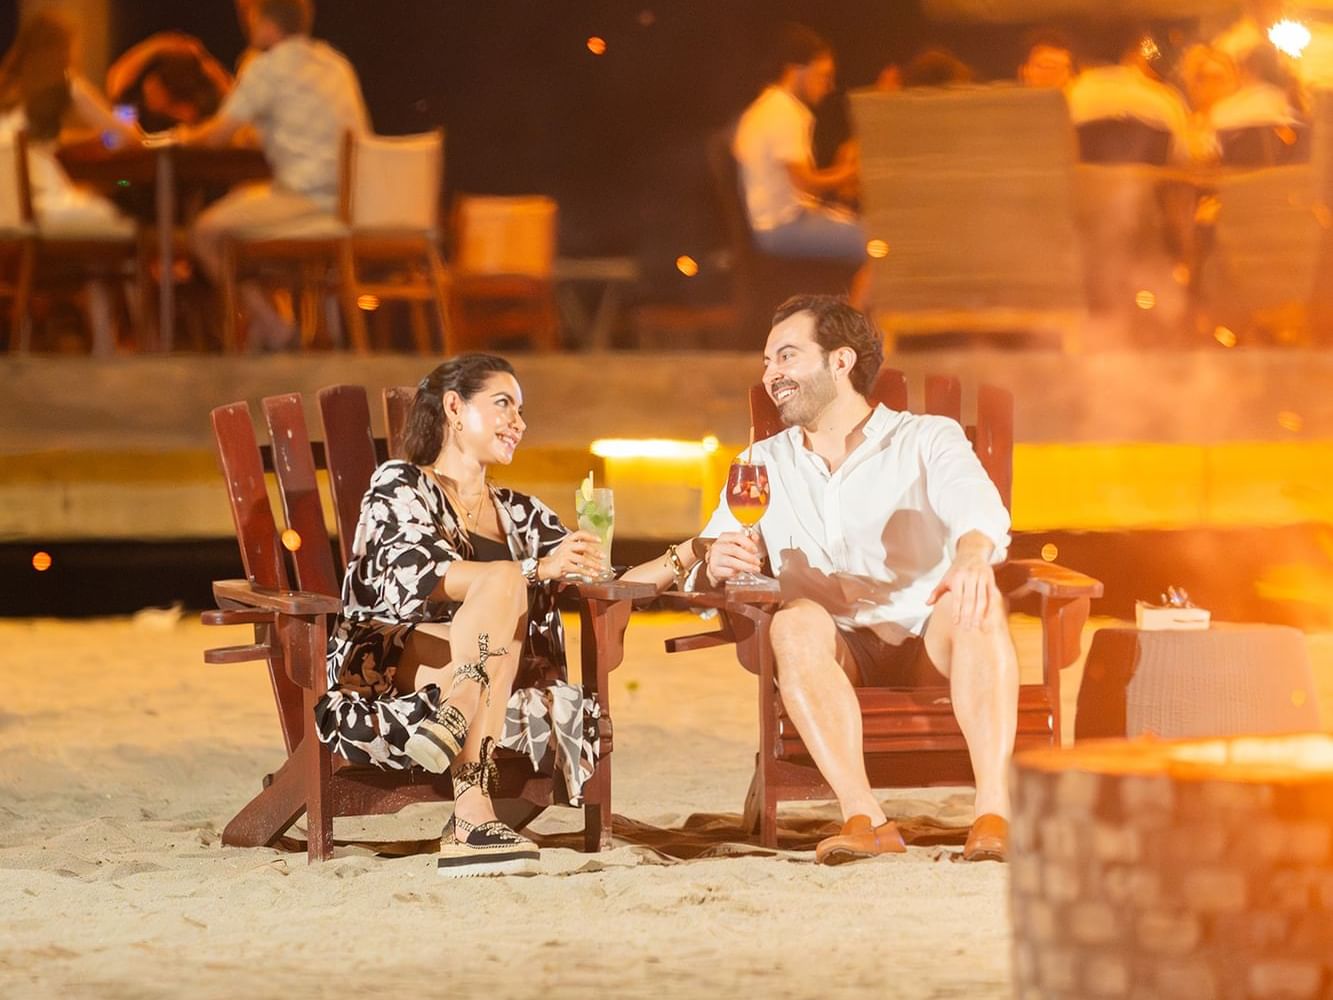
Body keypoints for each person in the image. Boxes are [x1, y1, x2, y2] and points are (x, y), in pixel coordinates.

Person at [315, 353, 703, 876]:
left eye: (520, 410)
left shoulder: (520, 513)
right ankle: (472, 803)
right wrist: (534, 569)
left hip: (469, 672)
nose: (518, 422)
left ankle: (460, 723)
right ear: (454, 407)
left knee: (507, 584)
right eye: (503, 404)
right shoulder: (400, 483)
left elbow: (606, 582)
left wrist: (692, 552)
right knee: (503, 580)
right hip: (389, 665)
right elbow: (416, 576)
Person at [693, 295, 1017, 865]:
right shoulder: (763, 462)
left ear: (840, 362)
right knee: (793, 626)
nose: (772, 375)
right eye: (768, 363)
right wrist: (717, 560)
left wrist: (971, 557)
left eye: (787, 357)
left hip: (928, 635)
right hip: (835, 645)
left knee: (978, 606)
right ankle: (864, 816)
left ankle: (993, 812)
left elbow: (978, 506)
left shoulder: (925, 439)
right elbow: (714, 547)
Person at [178, 0, 370, 351]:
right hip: (352, 202)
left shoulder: (266, 68)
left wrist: (180, 136)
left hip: (305, 201)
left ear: (264, 24)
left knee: (204, 233)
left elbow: (218, 136)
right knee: (247, 209)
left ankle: (272, 324)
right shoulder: (336, 63)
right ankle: (269, 329)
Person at [0, 10, 139, 354]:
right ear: (65, 50)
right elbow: (121, 138)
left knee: (91, 234)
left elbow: (28, 142)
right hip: (41, 208)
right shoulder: (65, 82)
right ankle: (124, 343)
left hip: (7, 213)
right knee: (123, 233)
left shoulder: (8, 86)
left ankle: (103, 345)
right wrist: (123, 132)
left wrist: (71, 142)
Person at [732, 23, 866, 295]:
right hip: (783, 228)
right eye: (823, 76)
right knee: (880, 241)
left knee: (861, 228)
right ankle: (859, 324)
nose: (828, 86)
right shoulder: (783, 113)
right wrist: (854, 172)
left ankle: (852, 320)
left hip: (778, 223)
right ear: (797, 70)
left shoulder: (769, 106)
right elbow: (806, 183)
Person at [1066, 28, 1195, 162]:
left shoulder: (1067, 102)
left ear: (1081, 57)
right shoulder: (1164, 101)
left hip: (1081, 183)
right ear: (1135, 52)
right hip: (1146, 182)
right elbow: (1183, 160)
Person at [106, 32, 232, 132]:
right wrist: (159, 46)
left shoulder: (204, 116)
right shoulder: (135, 108)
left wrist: (205, 62)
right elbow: (117, 82)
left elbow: (234, 106)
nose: (151, 87)